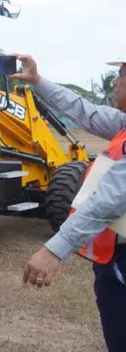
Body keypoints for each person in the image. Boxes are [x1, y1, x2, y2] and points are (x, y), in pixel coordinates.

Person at [18, 54, 126, 351]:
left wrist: (54, 249)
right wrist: (38, 82)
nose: (116, 81)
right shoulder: (123, 124)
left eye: (123, 74)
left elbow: (110, 200)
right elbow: (85, 111)